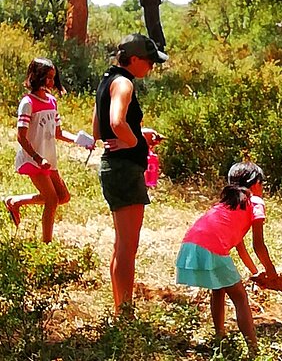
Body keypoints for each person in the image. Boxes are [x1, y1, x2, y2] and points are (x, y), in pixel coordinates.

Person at [92, 33, 168, 314]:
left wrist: (136, 134)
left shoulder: (106, 81)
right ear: (134, 59)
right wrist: (135, 142)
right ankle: (124, 311)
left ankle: (120, 307)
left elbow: (99, 131)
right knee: (128, 248)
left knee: (121, 244)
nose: (150, 67)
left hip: (113, 165)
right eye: (148, 62)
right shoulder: (124, 84)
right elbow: (116, 121)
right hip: (125, 169)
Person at [175, 162, 277, 353]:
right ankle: (254, 350)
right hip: (212, 248)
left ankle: (219, 338)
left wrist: (255, 272)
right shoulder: (255, 202)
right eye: (262, 184)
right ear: (255, 183)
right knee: (240, 298)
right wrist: (272, 273)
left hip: (191, 242)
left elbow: (240, 246)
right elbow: (258, 245)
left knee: (218, 289)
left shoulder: (227, 204)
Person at [4, 57, 93, 242]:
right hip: (33, 159)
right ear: (36, 76)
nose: (51, 82)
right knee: (52, 200)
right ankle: (47, 244)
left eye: (53, 77)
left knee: (63, 196)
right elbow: (21, 136)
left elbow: (58, 132)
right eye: (47, 77)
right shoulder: (28, 103)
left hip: (48, 159)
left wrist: (80, 140)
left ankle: (15, 201)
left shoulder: (52, 101)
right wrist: (37, 158)